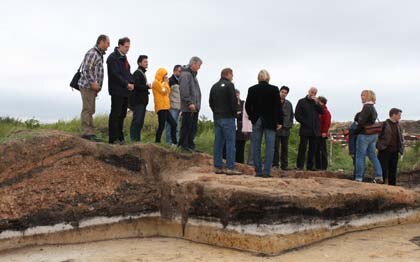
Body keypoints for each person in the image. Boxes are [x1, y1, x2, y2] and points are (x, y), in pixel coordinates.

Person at [245, 69, 283, 178]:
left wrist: (252, 117)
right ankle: (266, 172)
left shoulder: (252, 89)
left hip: (257, 120)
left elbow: (247, 106)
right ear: (268, 77)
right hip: (270, 121)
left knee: (255, 146)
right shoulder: (274, 89)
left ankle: (258, 171)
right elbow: (278, 107)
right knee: (270, 147)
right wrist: (279, 121)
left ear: (258, 77)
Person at [209, 68, 241, 175]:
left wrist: (216, 112)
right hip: (228, 118)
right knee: (230, 142)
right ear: (228, 74)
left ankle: (217, 166)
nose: (233, 77)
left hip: (217, 117)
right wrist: (235, 112)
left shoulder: (214, 86)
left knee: (218, 142)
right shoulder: (229, 85)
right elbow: (233, 101)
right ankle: (230, 167)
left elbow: (210, 102)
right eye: (232, 75)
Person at [78, 34, 110, 142]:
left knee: (91, 109)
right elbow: (86, 69)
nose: (108, 46)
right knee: (87, 109)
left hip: (92, 87)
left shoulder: (99, 54)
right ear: (101, 42)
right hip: (87, 86)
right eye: (107, 43)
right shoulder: (93, 53)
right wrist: (92, 83)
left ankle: (90, 132)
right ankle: (87, 132)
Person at [107, 37, 134, 144]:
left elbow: (128, 73)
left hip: (125, 91)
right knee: (115, 114)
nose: (128, 49)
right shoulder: (113, 58)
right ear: (120, 45)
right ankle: (113, 139)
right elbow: (115, 75)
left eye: (129, 47)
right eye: (126, 47)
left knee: (122, 114)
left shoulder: (124, 58)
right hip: (117, 90)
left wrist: (132, 82)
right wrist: (126, 84)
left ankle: (120, 137)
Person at [354, 90, 383, 183]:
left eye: (363, 95)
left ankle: (358, 178)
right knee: (372, 155)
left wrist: (355, 132)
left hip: (364, 135)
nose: (361, 97)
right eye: (361, 95)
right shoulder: (373, 107)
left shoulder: (366, 107)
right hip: (373, 135)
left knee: (360, 156)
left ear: (368, 96)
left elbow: (361, 122)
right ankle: (379, 176)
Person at [295, 87, 324, 171]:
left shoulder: (317, 103)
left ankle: (310, 166)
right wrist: (305, 122)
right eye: (312, 92)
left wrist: (317, 103)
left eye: (315, 93)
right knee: (302, 148)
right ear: (308, 91)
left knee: (312, 149)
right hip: (305, 129)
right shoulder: (301, 102)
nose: (313, 94)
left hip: (315, 130)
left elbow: (322, 112)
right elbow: (297, 115)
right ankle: (299, 166)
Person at [178, 57, 202, 152]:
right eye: (199, 65)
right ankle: (184, 145)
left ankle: (190, 145)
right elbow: (184, 90)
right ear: (193, 63)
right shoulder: (185, 74)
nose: (199, 68)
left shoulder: (193, 75)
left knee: (192, 127)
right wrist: (190, 103)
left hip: (194, 107)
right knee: (186, 126)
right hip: (188, 107)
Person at [377, 108, 404, 185]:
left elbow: (401, 139)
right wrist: (379, 146)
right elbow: (377, 136)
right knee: (383, 170)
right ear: (393, 115)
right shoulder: (384, 124)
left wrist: (401, 149)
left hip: (395, 151)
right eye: (399, 115)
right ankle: (380, 188)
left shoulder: (398, 125)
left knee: (393, 171)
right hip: (384, 151)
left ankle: (392, 187)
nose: (400, 117)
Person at [152, 68, 177, 144]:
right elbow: (164, 92)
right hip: (161, 107)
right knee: (161, 126)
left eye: (166, 75)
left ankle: (174, 143)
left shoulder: (163, 84)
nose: (166, 77)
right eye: (165, 75)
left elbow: (167, 92)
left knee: (174, 124)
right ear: (161, 74)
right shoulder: (155, 83)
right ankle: (157, 142)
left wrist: (165, 84)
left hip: (165, 107)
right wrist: (166, 83)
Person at [129, 55, 150, 142]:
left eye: (147, 62)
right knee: (137, 121)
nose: (146, 63)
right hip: (138, 101)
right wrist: (147, 86)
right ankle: (134, 139)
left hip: (142, 102)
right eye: (145, 62)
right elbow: (136, 86)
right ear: (139, 63)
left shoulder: (142, 73)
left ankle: (137, 140)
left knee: (140, 122)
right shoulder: (137, 73)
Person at [273, 86, 294, 170]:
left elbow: (291, 115)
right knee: (275, 147)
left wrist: (288, 125)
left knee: (285, 148)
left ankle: (284, 165)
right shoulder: (274, 102)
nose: (284, 94)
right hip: (276, 128)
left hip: (286, 129)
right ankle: (275, 164)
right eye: (282, 92)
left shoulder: (289, 103)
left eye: (285, 93)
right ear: (279, 92)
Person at [165, 65, 182, 145]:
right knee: (170, 126)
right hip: (171, 107)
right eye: (179, 71)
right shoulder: (170, 81)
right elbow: (166, 94)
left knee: (177, 127)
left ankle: (175, 143)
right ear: (174, 71)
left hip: (179, 108)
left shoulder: (181, 81)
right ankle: (168, 143)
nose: (180, 73)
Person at [315, 96, 332, 170]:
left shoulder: (325, 111)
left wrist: (324, 132)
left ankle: (323, 167)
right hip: (317, 132)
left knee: (322, 150)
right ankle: (318, 166)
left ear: (321, 102)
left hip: (322, 133)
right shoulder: (319, 110)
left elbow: (327, 122)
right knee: (317, 150)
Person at [235, 89, 251, 164]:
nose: (236, 96)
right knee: (234, 146)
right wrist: (238, 114)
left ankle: (241, 163)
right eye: (235, 95)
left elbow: (247, 114)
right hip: (235, 127)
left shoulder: (243, 103)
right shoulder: (232, 103)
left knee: (242, 146)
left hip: (243, 126)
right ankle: (234, 162)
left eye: (237, 95)